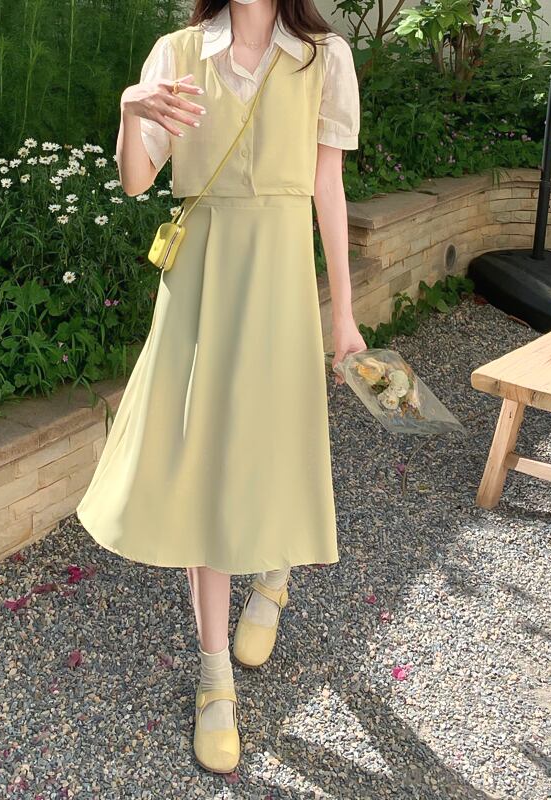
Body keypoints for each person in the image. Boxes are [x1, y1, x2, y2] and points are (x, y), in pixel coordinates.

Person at [75, 0, 364, 774]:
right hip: (201, 287)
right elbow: (137, 181)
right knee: (205, 465)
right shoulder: (177, 53)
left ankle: (274, 575)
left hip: (280, 281)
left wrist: (344, 314)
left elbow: (327, 188)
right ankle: (214, 681)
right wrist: (130, 110)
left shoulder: (323, 59)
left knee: (279, 443)